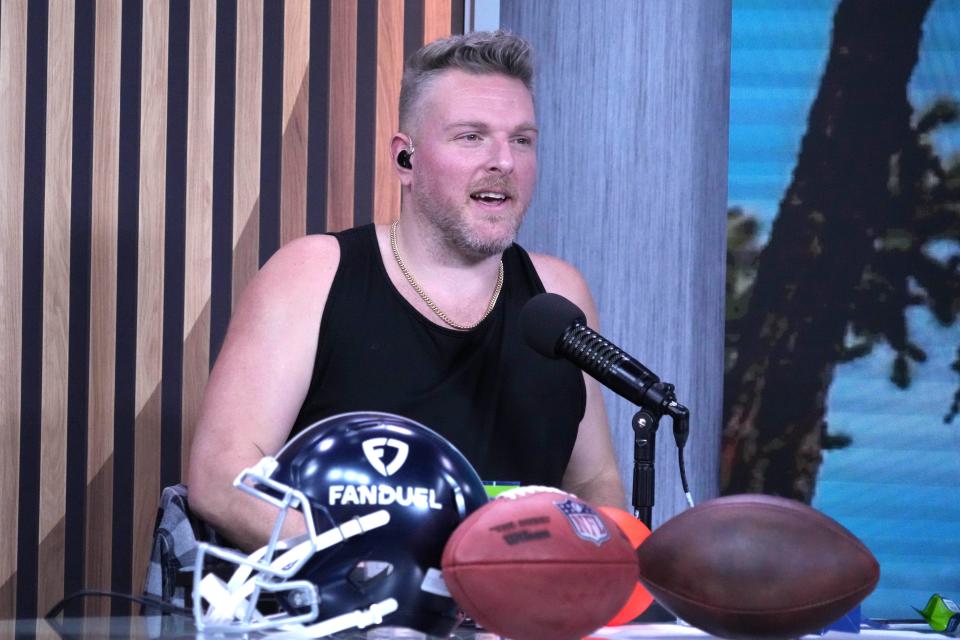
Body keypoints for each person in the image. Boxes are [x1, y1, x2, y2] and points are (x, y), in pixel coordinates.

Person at [187, 30, 625, 551]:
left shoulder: (558, 294)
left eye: (522, 140)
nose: (504, 161)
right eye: (471, 136)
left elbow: (594, 482)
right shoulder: (312, 275)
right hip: (344, 615)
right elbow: (220, 480)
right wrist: (375, 567)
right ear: (405, 159)